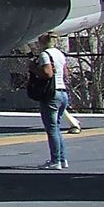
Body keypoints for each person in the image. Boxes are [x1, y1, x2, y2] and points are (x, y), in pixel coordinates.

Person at [33, 35, 71, 170]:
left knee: (52, 128)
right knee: (57, 126)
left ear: (42, 43)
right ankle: (62, 158)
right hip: (63, 92)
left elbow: (48, 73)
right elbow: (65, 73)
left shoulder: (45, 55)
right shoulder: (60, 54)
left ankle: (56, 160)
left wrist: (34, 69)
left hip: (51, 94)